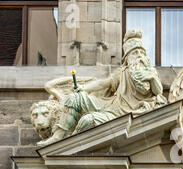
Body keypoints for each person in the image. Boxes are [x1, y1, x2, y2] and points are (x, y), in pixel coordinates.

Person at [38, 29, 167, 146]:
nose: (139, 55)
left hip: (127, 115)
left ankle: (71, 144)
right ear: (127, 58)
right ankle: (58, 136)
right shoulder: (122, 72)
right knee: (73, 98)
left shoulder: (150, 72)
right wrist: (84, 89)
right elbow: (103, 84)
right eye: (134, 52)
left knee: (87, 120)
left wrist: (151, 76)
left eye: (141, 52)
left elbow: (158, 91)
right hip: (114, 108)